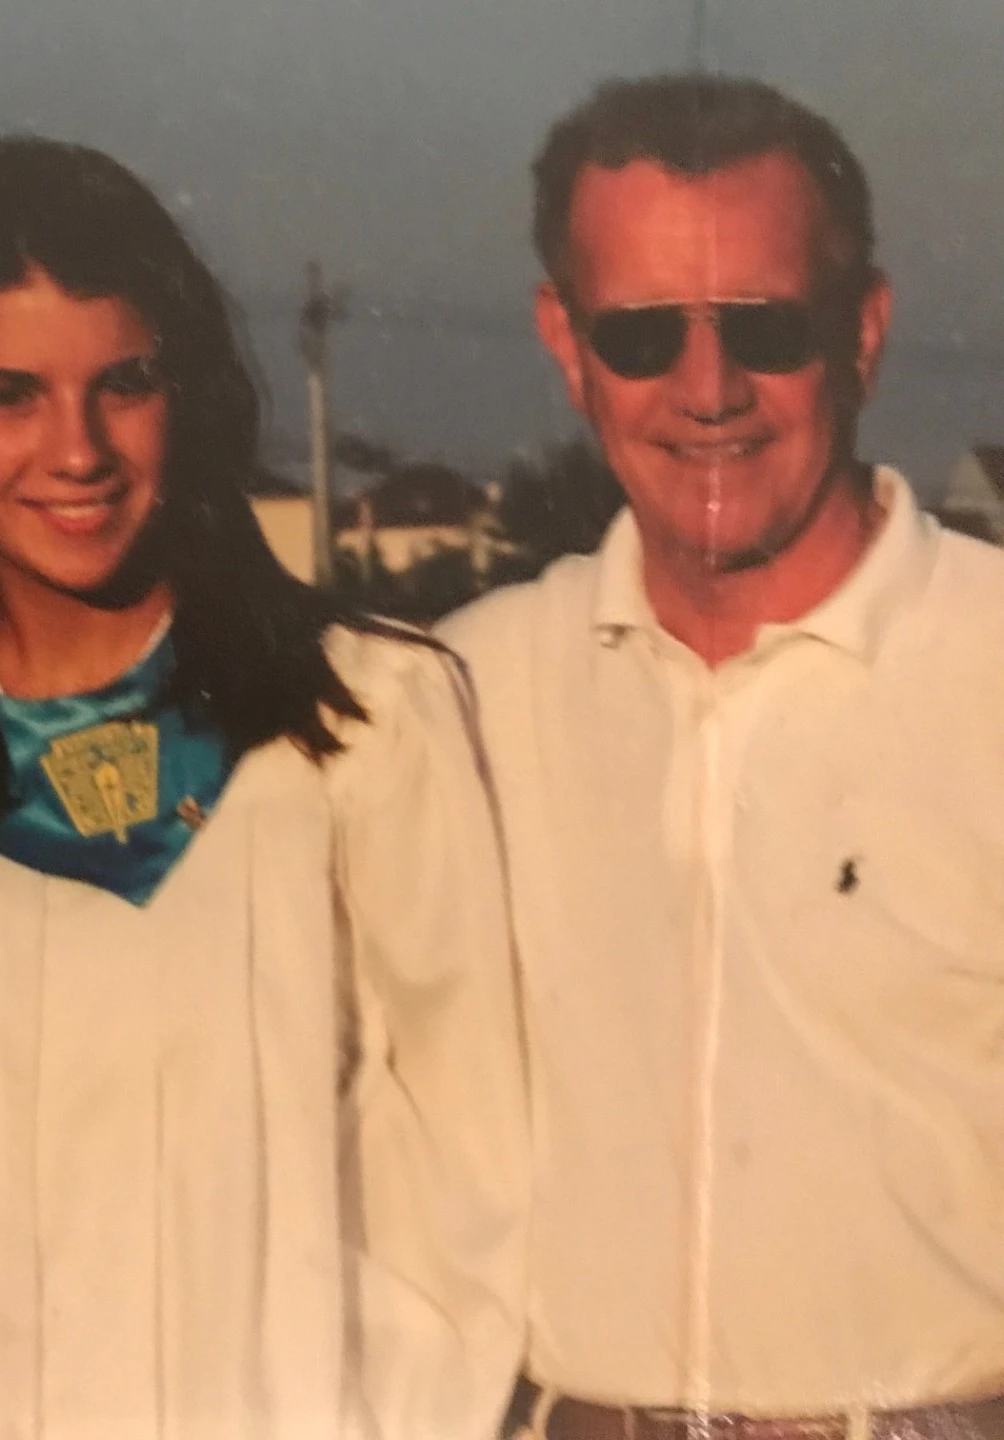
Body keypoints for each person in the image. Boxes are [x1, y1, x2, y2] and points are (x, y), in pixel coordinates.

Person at [0, 136, 527, 1440]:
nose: (74, 449)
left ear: (182, 397)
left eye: (122, 386)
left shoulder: (360, 729)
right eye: (11, 395)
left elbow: (480, 1172)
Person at [438, 75, 1004, 1438]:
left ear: (862, 331)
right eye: (640, 334)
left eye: (763, 325)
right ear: (563, 343)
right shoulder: (457, 696)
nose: (708, 389)